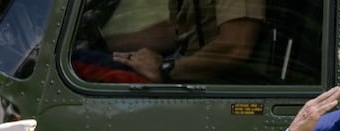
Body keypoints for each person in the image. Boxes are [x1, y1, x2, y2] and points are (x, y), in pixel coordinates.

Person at [73, 0, 264, 83]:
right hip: (187, 76)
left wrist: (165, 69)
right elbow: (175, 31)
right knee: (84, 57)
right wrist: (104, 45)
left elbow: (236, 46)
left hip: (215, 84)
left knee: (75, 62)